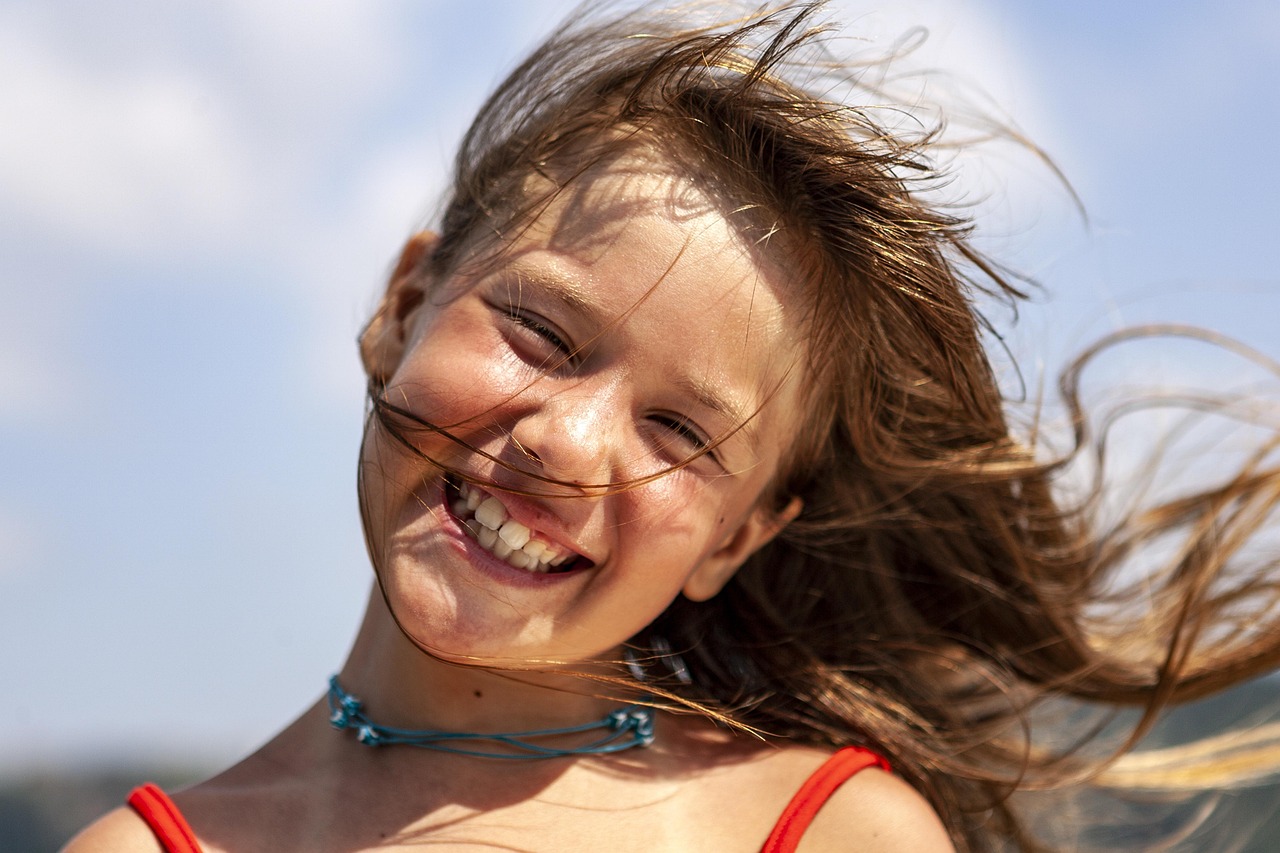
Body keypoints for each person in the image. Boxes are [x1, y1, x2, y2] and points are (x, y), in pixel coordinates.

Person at [63, 3, 1280, 851]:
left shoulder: (830, 832)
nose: (569, 446)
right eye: (541, 335)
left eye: (679, 433)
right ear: (399, 307)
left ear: (736, 540)